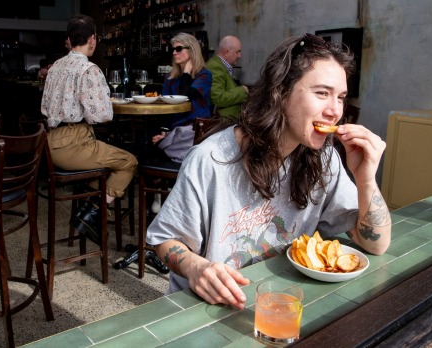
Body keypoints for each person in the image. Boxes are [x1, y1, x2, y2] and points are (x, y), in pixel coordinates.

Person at [146, 33, 391, 310]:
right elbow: (164, 240)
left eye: (341, 97)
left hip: (278, 303)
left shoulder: (324, 158)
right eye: (322, 93)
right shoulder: (212, 159)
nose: (335, 111)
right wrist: (195, 267)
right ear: (281, 92)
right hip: (205, 308)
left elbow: (377, 245)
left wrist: (366, 177)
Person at [41, 14, 138, 245]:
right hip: (74, 143)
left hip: (49, 142)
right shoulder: (88, 69)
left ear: (69, 39)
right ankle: (92, 212)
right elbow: (101, 116)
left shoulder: (54, 67)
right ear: (92, 39)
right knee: (129, 162)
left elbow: (45, 106)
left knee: (104, 166)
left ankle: (90, 209)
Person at [152, 32, 212, 163]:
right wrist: (164, 131)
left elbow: (185, 96)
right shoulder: (170, 77)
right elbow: (165, 107)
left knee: (154, 149)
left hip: (194, 131)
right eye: (173, 49)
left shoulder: (204, 75)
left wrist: (186, 72)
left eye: (179, 49)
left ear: (192, 50)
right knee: (148, 144)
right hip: (175, 131)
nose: (174, 53)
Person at [206, 35, 249, 120]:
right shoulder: (215, 67)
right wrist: (242, 91)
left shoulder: (221, 65)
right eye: (238, 52)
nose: (240, 56)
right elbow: (217, 98)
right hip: (223, 123)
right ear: (227, 52)